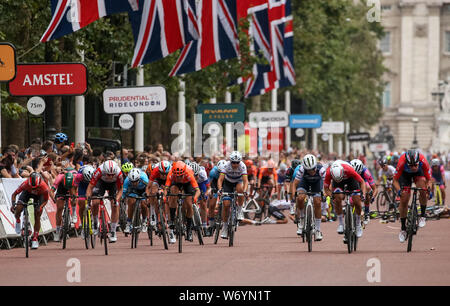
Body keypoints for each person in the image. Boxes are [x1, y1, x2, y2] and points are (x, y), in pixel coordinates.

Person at [393, 149, 432, 243]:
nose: (413, 167)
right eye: (411, 165)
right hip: (405, 175)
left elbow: (429, 179)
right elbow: (394, 181)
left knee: (422, 189)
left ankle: (422, 215)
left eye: (415, 165)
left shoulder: (423, 160)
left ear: (419, 162)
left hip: (419, 174)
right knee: (404, 199)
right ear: (407, 163)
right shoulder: (401, 162)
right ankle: (403, 228)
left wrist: (429, 189)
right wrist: (399, 191)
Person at [323, 160, 367, 241]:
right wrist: (332, 196)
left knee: (357, 200)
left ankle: (358, 224)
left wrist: (363, 195)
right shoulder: (329, 172)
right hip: (337, 183)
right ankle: (340, 224)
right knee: (337, 198)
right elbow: (326, 188)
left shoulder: (349, 170)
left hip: (350, 179)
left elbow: (362, 182)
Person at [86, 160, 124, 243]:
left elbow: (120, 189)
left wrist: (116, 199)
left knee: (115, 205)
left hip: (113, 184)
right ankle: (95, 222)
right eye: (108, 175)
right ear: (104, 171)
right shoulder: (99, 171)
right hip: (101, 182)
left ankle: (113, 231)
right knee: (95, 202)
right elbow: (90, 187)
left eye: (112, 175)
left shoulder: (119, 173)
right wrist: (88, 200)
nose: (110, 177)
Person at [10, 172, 50, 249]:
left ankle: (35, 238)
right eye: (32, 187)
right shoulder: (25, 184)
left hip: (39, 196)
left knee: (37, 214)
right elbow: (14, 194)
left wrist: (40, 207)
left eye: (35, 188)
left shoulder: (44, 187)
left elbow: (46, 200)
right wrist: (13, 204)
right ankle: (18, 220)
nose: (34, 189)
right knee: (18, 209)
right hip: (27, 193)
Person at [164, 161, 201, 243]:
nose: (179, 177)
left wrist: (194, 198)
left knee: (189, 204)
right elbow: (166, 189)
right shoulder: (171, 174)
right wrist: (165, 197)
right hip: (175, 184)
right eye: (177, 176)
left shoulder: (189, 174)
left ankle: (188, 230)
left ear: (184, 173)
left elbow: (198, 191)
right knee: (173, 193)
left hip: (187, 184)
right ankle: (172, 223)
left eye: (180, 176)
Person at [291, 154, 326, 241]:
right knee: (300, 198)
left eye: (313, 169)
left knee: (317, 202)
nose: (311, 172)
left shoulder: (321, 170)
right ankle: (302, 220)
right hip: (305, 183)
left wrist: (324, 194)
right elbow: (295, 183)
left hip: (317, 183)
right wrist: (293, 194)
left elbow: (326, 184)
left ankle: (318, 230)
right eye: (308, 170)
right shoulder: (302, 169)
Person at [217, 151, 248, 239]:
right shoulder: (226, 165)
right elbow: (220, 180)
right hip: (228, 183)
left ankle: (239, 210)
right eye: (233, 162)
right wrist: (220, 189)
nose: (235, 164)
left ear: (240, 162)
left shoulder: (242, 166)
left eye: (237, 162)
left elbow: (245, 181)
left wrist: (245, 191)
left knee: (240, 189)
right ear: (230, 161)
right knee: (226, 204)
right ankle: (225, 226)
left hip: (238, 182)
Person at [50, 167, 78, 242]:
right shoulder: (59, 177)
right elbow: (51, 191)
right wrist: (54, 199)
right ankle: (58, 231)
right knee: (59, 208)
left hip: (72, 186)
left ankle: (74, 212)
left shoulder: (76, 177)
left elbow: (77, 190)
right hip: (61, 189)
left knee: (73, 197)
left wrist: (74, 198)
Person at [350, 159, 377, 225]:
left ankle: (367, 212)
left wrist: (373, 197)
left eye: (358, 173)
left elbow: (375, 189)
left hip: (364, 181)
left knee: (367, 188)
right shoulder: (349, 169)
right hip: (353, 180)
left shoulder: (366, 172)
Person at [122, 168, 149, 234]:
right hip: (133, 191)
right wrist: (123, 199)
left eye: (136, 181)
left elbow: (149, 188)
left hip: (143, 190)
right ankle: (129, 223)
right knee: (131, 202)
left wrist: (148, 197)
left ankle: (144, 221)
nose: (134, 183)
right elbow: (124, 192)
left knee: (143, 204)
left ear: (139, 179)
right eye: (132, 182)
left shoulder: (144, 178)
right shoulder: (127, 180)